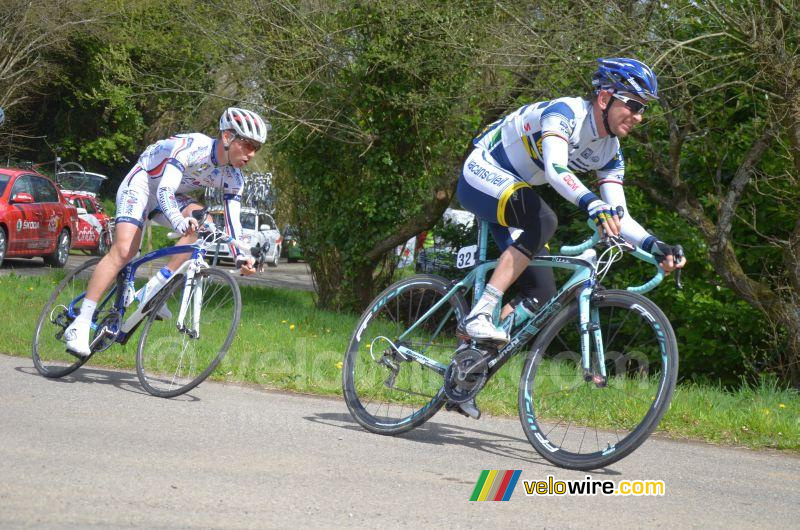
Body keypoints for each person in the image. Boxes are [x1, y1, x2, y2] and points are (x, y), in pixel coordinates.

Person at [458, 58, 687, 350]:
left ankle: (470, 363)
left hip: (515, 188)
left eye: (643, 109)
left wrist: (656, 246)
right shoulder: (564, 113)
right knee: (544, 220)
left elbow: (620, 216)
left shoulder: (610, 153)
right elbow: (555, 169)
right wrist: (593, 204)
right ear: (605, 97)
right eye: (633, 105)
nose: (639, 116)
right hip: (484, 169)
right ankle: (479, 314)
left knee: (541, 295)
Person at [64, 107, 270, 357]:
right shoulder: (195, 147)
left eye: (256, 148)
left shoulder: (234, 178)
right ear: (227, 137)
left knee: (202, 221)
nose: (251, 153)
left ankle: (157, 288)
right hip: (143, 185)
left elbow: (233, 223)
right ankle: (81, 323)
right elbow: (164, 191)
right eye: (247, 145)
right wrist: (178, 220)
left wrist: (241, 256)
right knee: (123, 251)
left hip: (171, 196)